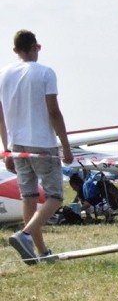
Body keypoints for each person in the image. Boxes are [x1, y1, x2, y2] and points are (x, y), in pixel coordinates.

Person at [0, 30, 73, 264]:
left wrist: (7, 149)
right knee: (54, 196)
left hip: (17, 144)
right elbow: (54, 111)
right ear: (35, 47)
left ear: (15, 50)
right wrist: (66, 146)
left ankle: (39, 252)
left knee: (28, 197)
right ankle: (25, 235)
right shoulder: (45, 73)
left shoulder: (4, 74)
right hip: (42, 142)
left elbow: (1, 117)